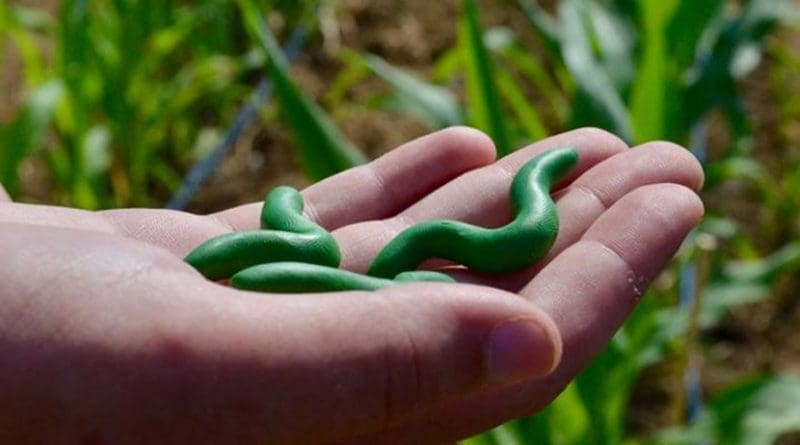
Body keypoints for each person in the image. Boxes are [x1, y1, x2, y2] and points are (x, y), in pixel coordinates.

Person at [0, 127, 704, 444]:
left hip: (324, 250)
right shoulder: (286, 248)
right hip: (318, 252)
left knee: (454, 236)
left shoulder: (297, 240)